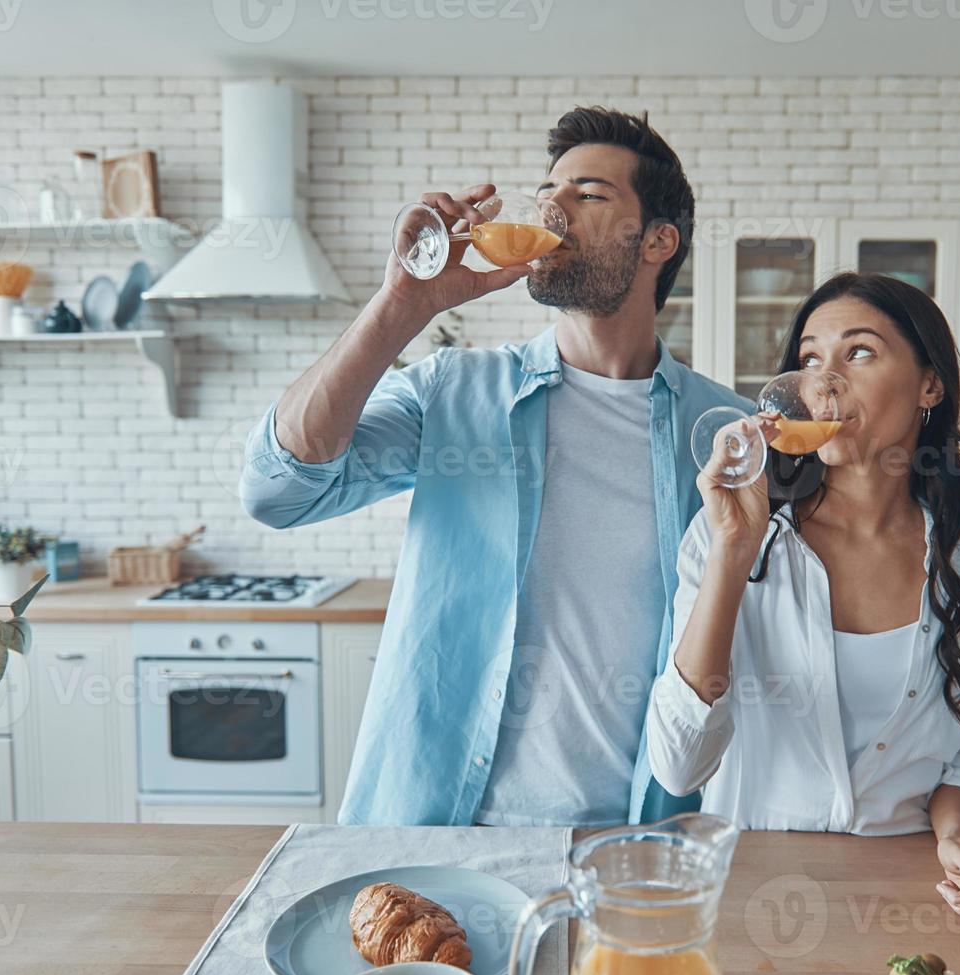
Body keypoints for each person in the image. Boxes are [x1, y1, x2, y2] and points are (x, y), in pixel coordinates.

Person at [240, 106, 750, 827]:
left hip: (633, 840)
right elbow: (276, 490)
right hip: (438, 828)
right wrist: (402, 304)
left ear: (656, 241)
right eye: (549, 191)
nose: (553, 208)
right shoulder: (456, 392)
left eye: (588, 195)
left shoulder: (723, 433)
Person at [646, 271, 960, 922]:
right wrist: (733, 553)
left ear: (929, 384)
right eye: (809, 360)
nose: (825, 382)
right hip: (751, 891)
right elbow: (678, 769)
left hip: (907, 892)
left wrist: (958, 837)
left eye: (860, 353)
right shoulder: (732, 534)